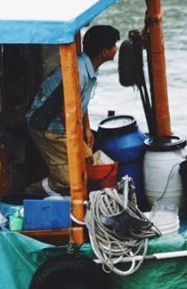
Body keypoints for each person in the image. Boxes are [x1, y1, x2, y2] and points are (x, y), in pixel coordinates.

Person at [25, 24, 121, 195]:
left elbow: (80, 103)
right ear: (104, 52)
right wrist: (81, 144)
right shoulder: (79, 72)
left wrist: (86, 129)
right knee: (69, 179)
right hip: (47, 127)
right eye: (114, 45)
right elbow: (66, 111)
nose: (117, 48)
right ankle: (31, 193)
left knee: (82, 167)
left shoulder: (88, 67)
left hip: (65, 124)